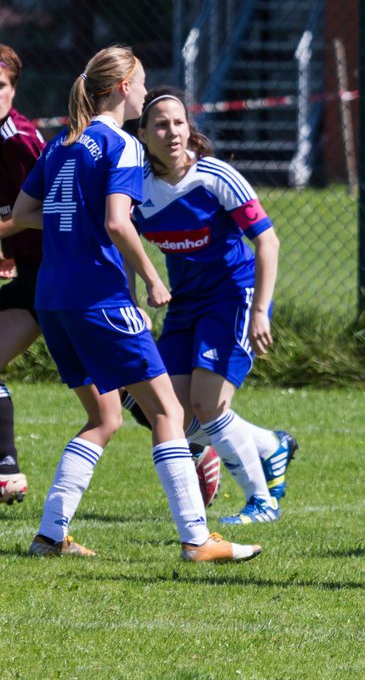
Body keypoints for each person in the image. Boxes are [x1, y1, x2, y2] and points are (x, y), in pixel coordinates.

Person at [11, 45, 260, 562]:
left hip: (51, 298)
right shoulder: (121, 144)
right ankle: (197, 539)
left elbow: (22, 211)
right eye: (143, 83)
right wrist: (150, 278)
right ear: (124, 88)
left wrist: (70, 218)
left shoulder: (62, 142)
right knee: (168, 410)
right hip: (97, 296)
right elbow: (118, 222)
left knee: (104, 418)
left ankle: (50, 535)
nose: (146, 92)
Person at [131, 86, 297, 525]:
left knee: (207, 403)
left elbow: (267, 241)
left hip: (232, 298)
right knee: (164, 409)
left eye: (179, 123)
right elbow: (120, 241)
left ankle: (262, 501)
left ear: (191, 128)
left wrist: (261, 309)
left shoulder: (215, 177)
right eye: (161, 125)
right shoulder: (138, 188)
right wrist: (135, 299)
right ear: (143, 133)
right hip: (185, 306)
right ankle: (268, 446)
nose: (172, 132)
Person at [0, 44, 45, 505]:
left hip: (62, 275)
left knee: (113, 391)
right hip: (33, 274)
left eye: (0, 87)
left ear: (14, 90)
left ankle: (195, 445)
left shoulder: (19, 139)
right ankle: (6, 470)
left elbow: (53, 209)